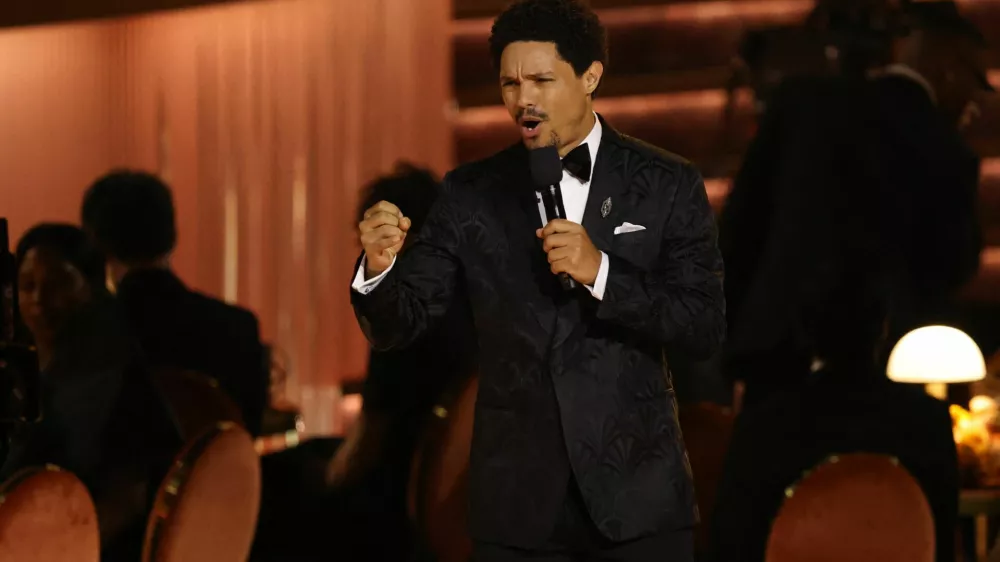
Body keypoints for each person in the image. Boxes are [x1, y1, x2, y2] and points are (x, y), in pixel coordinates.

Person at [351, 1, 725, 560]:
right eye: (509, 83)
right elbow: (401, 324)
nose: (523, 100)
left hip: (639, 503)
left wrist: (602, 273)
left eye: (542, 80)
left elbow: (703, 324)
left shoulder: (667, 183)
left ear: (591, 76)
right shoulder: (469, 194)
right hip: (516, 508)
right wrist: (379, 271)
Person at [1, 223, 181, 561]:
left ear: (92, 287)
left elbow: (127, 499)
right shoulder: (19, 367)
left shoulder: (117, 375)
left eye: (58, 285)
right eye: (27, 286)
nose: (39, 299)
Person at [80, 170, 268, 436]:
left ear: (96, 242)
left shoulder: (88, 333)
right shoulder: (237, 325)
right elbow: (246, 434)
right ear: (172, 235)